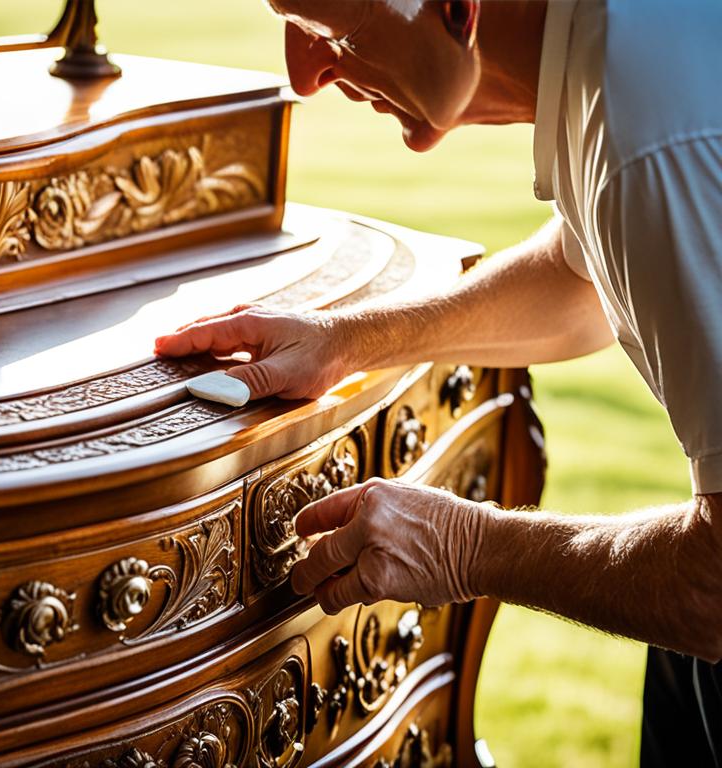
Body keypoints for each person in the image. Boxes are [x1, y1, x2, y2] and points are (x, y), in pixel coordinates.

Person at [154, 1, 722, 764]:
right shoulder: (624, 52)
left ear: (458, 9)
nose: (306, 74)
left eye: (328, 26)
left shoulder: (655, 131)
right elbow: (587, 279)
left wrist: (467, 546)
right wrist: (349, 340)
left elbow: (716, 587)